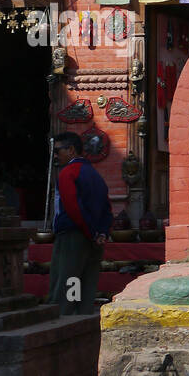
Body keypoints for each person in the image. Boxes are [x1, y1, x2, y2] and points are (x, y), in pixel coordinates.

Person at [49, 132, 112, 315]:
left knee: (70, 278)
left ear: (71, 150)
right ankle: (82, 315)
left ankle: (67, 315)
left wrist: (89, 231)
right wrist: (101, 233)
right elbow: (106, 208)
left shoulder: (68, 173)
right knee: (87, 279)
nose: (56, 155)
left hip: (74, 235)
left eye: (58, 150)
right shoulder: (95, 175)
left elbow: (72, 207)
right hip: (94, 237)